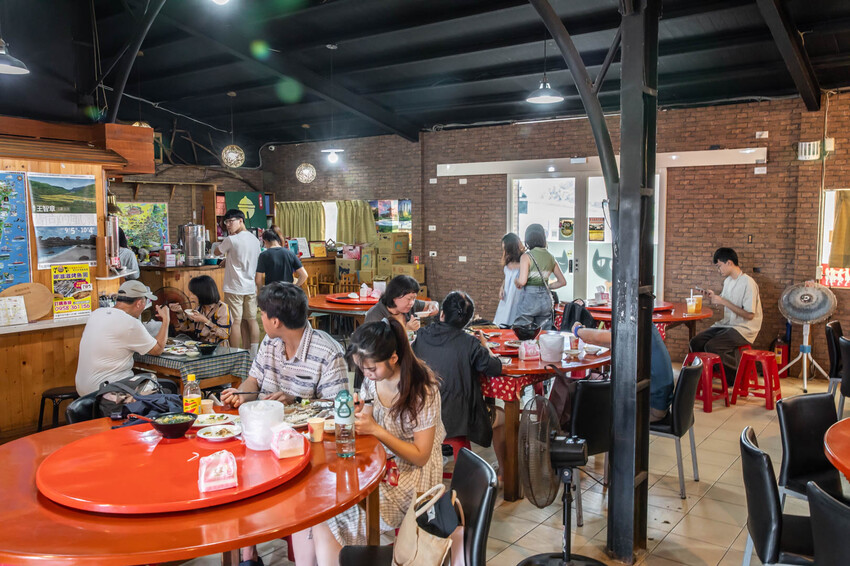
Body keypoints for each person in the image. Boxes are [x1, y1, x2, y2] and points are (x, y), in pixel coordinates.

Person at [293, 318, 445, 566]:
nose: (367, 375)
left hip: (412, 477)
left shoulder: (423, 390)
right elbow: (369, 416)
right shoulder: (374, 378)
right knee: (313, 508)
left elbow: (421, 456)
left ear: (393, 358)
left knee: (329, 518)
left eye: (371, 369)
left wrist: (376, 430)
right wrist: (359, 413)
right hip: (380, 463)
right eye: (362, 369)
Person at [413, 291, 506, 475]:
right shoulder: (470, 343)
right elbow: (495, 368)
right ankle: (503, 473)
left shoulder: (421, 335)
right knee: (503, 417)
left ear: (442, 314)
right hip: (458, 419)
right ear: (467, 321)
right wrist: (485, 345)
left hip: (423, 414)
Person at [220, 282, 348, 408]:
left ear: (275, 322)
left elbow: (339, 405)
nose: (261, 318)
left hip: (306, 422)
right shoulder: (269, 341)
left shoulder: (329, 353)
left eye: (262, 314)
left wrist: (297, 401)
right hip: (265, 418)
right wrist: (241, 394)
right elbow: (253, 381)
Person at [75, 281, 169, 396]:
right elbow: (158, 349)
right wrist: (166, 320)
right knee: (167, 388)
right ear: (139, 303)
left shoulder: (96, 313)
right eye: (146, 301)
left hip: (83, 389)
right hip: (107, 390)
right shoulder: (130, 323)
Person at [572, 321, 674, 422]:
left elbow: (599, 337)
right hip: (659, 401)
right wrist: (585, 334)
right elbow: (609, 340)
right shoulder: (645, 323)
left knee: (588, 403)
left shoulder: (635, 323)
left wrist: (578, 330)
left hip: (651, 408)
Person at [690, 247, 763, 385]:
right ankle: (709, 373)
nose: (719, 270)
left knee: (713, 346)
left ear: (729, 263)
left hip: (744, 328)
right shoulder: (728, 281)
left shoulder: (748, 282)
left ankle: (737, 377)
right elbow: (725, 301)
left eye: (719, 266)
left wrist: (723, 301)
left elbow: (749, 315)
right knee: (696, 342)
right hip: (728, 324)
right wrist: (713, 296)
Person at [214, 209, 261, 354]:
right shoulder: (255, 240)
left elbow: (216, 252)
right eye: (226, 222)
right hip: (250, 286)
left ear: (241, 221)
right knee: (251, 320)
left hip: (234, 287)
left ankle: (234, 354)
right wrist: (229, 260)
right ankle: (252, 354)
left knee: (235, 322)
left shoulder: (231, 240)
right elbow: (247, 258)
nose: (228, 225)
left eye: (230, 221)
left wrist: (223, 250)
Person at [514, 223, 567, 329]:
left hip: (529, 299)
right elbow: (562, 282)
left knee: (523, 331)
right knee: (543, 333)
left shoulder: (526, 256)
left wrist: (516, 281)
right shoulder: (550, 257)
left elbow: (523, 281)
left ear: (528, 239)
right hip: (545, 300)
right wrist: (547, 286)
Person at [169, 275, 231, 344]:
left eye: (193, 294)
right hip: (200, 346)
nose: (190, 297)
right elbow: (186, 328)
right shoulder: (199, 308)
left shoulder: (222, 308)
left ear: (203, 293)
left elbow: (225, 334)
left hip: (218, 348)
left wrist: (205, 321)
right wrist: (179, 312)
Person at [364, 274, 438, 333]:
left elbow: (431, 303)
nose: (412, 303)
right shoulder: (375, 315)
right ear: (394, 296)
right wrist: (406, 330)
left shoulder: (409, 306)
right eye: (408, 299)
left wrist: (434, 306)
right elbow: (375, 344)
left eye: (414, 298)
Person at [493, 232, 523, 326]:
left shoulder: (524, 260)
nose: (504, 251)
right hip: (506, 296)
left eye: (505, 248)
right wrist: (502, 288)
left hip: (517, 296)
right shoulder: (508, 260)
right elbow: (506, 278)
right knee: (502, 321)